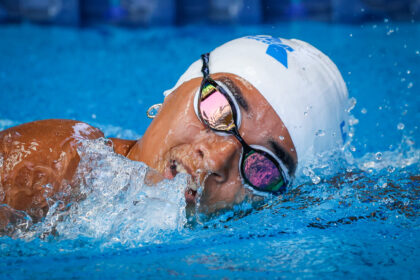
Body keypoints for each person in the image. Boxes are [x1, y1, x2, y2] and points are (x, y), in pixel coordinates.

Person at [0, 35, 349, 225]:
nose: (216, 159)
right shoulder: (53, 167)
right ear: (179, 86)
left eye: (262, 167)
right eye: (220, 109)